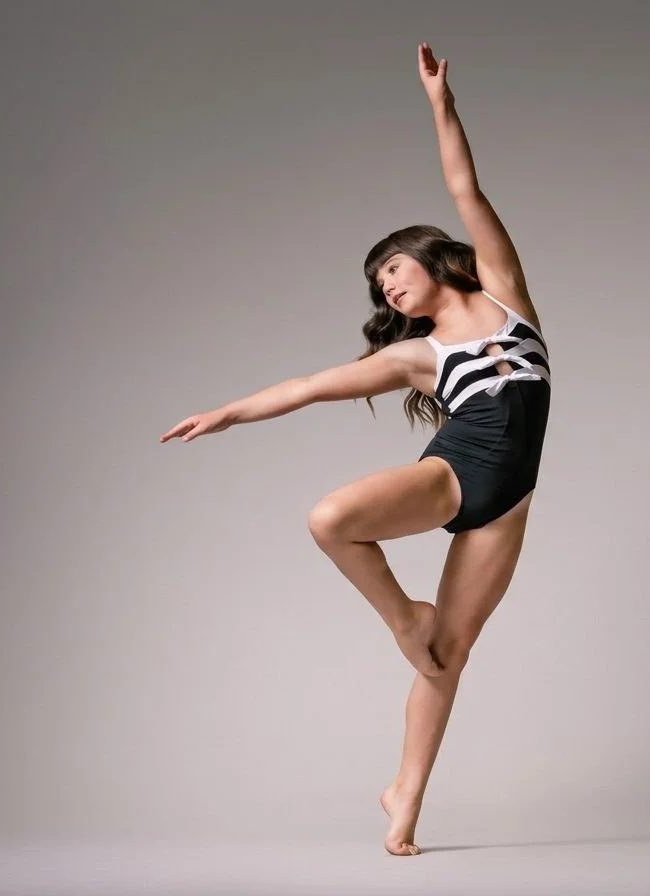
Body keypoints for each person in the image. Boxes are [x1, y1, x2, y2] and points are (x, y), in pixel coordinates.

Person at [159, 42, 551, 857]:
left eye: (395, 271)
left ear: (436, 259)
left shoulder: (507, 294)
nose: (389, 289)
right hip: (460, 471)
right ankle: (400, 613)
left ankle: (404, 799)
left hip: (510, 500)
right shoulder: (416, 355)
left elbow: (465, 188)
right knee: (333, 518)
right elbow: (307, 385)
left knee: (447, 656)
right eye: (381, 288)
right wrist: (228, 412)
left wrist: (441, 103)